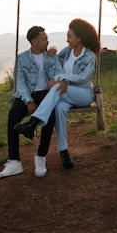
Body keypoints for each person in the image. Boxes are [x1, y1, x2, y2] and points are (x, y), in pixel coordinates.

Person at [15, 18, 100, 169]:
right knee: (59, 108)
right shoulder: (67, 52)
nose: (67, 40)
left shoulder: (89, 55)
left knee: (56, 89)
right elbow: (53, 61)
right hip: (64, 93)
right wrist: (51, 50)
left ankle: (33, 122)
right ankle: (63, 150)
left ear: (79, 38)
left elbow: (83, 78)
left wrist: (62, 78)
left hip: (82, 93)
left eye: (70, 37)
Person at [0, 25, 63, 179]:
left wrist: (55, 79)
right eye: (44, 39)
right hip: (25, 95)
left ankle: (40, 156)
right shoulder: (22, 58)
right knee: (13, 114)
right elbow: (19, 83)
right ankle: (14, 161)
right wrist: (28, 101)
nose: (47, 42)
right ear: (34, 41)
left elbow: (60, 72)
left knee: (50, 115)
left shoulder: (51, 56)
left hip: (45, 93)